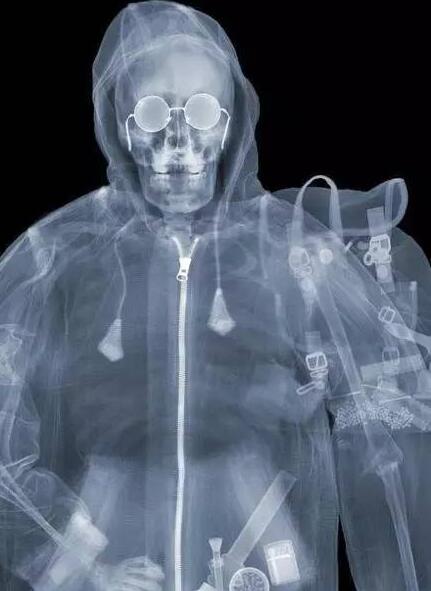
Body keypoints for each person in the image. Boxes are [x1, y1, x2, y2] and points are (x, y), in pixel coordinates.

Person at [1, 2, 430, 590]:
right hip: (112, 558)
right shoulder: (58, 253)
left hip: (259, 555)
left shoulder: (287, 246)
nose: (179, 140)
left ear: (230, 125)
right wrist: (74, 561)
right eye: (152, 114)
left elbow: (390, 416)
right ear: (119, 123)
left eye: (203, 112)